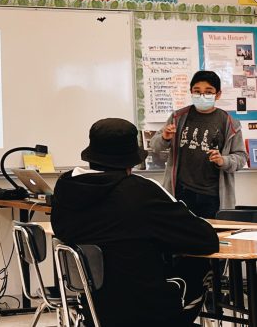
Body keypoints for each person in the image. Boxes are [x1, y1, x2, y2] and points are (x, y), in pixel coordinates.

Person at [51, 118, 218, 327]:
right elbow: (206, 240)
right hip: (147, 310)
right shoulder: (141, 191)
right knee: (201, 265)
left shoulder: (65, 188)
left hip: (93, 310)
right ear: (131, 161)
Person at [150, 70, 246, 217]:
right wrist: (165, 137)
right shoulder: (178, 117)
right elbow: (155, 146)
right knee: (180, 235)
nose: (202, 96)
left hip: (214, 196)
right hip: (180, 191)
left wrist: (223, 160)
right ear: (191, 92)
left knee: (211, 236)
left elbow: (240, 157)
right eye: (197, 91)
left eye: (208, 92)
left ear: (218, 94)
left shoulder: (229, 122)